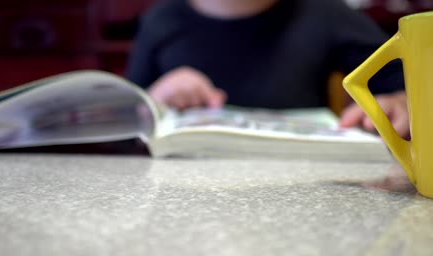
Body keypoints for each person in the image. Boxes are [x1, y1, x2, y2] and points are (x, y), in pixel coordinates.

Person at [126, 0, 409, 138]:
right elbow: (122, 123)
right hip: (178, 190)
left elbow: (404, 80)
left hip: (302, 185)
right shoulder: (159, 20)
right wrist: (152, 101)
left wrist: (401, 101)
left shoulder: (325, 13)